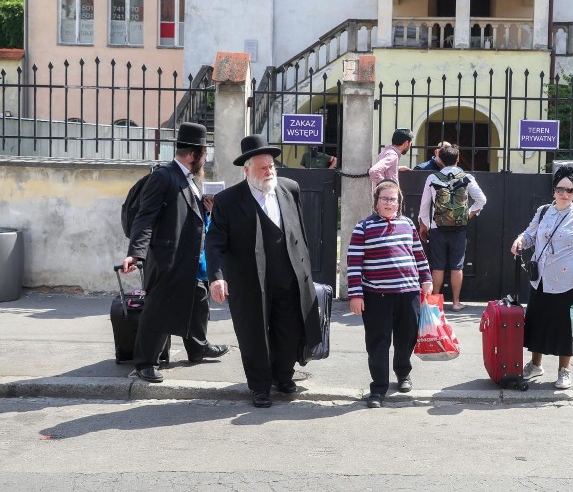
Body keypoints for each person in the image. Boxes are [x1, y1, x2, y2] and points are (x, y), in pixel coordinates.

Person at [205, 135, 322, 408]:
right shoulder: (228, 200)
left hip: (290, 277)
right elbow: (215, 243)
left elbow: (300, 233)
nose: (269, 171)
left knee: (290, 330)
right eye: (262, 167)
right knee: (254, 334)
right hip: (250, 281)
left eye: (271, 166)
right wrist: (217, 278)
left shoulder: (290, 189)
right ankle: (260, 386)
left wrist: (306, 272)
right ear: (247, 170)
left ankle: (283, 376)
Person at [121, 122, 229, 383]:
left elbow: (186, 215)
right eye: (204, 154)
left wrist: (207, 209)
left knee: (198, 298)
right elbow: (145, 217)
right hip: (167, 258)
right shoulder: (164, 176)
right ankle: (145, 362)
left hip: (188, 257)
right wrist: (136, 253)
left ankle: (197, 347)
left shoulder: (187, 179)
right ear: (193, 154)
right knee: (158, 309)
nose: (205, 159)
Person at [510, 165, 573, 390]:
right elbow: (530, 234)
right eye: (560, 188)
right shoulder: (543, 211)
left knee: (564, 328)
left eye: (569, 190)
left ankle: (564, 370)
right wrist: (520, 241)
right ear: (554, 190)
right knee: (537, 323)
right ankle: (535, 364)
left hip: (569, 283)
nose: (564, 194)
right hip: (541, 279)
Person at [347, 179, 433, 408]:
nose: (388, 203)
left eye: (392, 199)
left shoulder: (408, 225)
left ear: (399, 202)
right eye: (384, 199)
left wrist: (426, 279)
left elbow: (418, 255)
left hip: (408, 293)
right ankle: (378, 389)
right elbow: (354, 263)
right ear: (376, 202)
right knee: (378, 343)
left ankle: (403, 373)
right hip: (376, 296)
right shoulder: (363, 227)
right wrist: (356, 295)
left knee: (407, 338)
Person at [418, 144, 486, 311]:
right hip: (459, 228)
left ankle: (435, 304)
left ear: (440, 159)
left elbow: (424, 206)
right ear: (458, 158)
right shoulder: (467, 177)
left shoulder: (432, 178)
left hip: (437, 227)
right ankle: (456, 302)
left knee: (438, 266)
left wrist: (424, 225)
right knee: (457, 266)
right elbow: (482, 200)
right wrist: (468, 214)